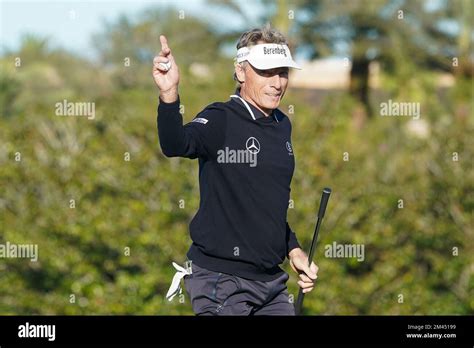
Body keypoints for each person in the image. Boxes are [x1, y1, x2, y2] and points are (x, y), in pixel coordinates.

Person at [153, 25, 318, 315]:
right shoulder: (220, 118)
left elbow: (269, 203)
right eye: (266, 72)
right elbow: (175, 144)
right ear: (241, 72)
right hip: (221, 281)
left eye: (283, 72)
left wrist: (293, 249)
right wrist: (169, 93)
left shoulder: (282, 124)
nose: (277, 83)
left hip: (271, 282)